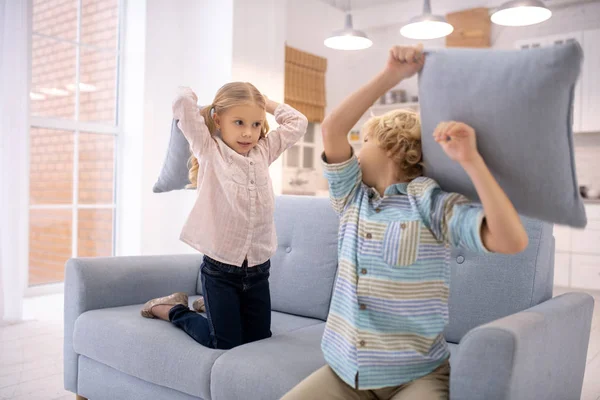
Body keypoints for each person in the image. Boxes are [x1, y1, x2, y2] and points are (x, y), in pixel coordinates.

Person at [282, 44, 528, 399]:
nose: (355, 147)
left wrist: (472, 161)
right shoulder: (352, 198)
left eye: (364, 140)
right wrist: (392, 75)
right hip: (346, 372)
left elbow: (510, 240)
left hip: (419, 374)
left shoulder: (428, 202)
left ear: (393, 149)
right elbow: (333, 128)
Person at [140, 82, 308, 350]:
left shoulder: (264, 151)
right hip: (220, 270)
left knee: (259, 341)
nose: (248, 133)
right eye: (239, 122)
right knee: (223, 342)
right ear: (218, 120)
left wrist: (266, 102)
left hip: (258, 269)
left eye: (255, 124)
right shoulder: (209, 150)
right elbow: (182, 101)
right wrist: (207, 106)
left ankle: (212, 305)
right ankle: (171, 309)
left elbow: (298, 122)